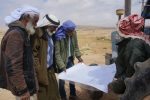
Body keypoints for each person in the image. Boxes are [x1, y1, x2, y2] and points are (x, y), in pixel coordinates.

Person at [0, 6, 40, 100]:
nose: (36, 24)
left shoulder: (23, 32)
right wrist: (23, 90)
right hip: (25, 90)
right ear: (27, 18)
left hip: (28, 86)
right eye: (35, 21)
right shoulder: (16, 34)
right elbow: (13, 66)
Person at [109, 14, 150, 94]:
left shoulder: (134, 47)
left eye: (120, 29)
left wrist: (116, 85)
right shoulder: (140, 39)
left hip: (135, 87)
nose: (118, 31)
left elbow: (132, 75)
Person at [32, 14, 61, 100]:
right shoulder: (37, 34)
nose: (55, 30)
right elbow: (34, 55)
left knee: (54, 93)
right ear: (47, 25)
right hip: (41, 71)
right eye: (54, 27)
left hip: (50, 69)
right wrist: (38, 69)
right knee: (43, 94)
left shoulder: (49, 34)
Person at [55, 20, 83, 100]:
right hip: (62, 61)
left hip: (70, 59)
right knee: (62, 82)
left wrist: (79, 57)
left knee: (72, 78)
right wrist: (62, 66)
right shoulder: (59, 36)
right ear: (65, 30)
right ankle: (63, 97)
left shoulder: (73, 34)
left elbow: (76, 46)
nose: (72, 33)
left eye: (73, 31)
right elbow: (57, 54)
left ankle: (73, 95)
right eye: (70, 31)